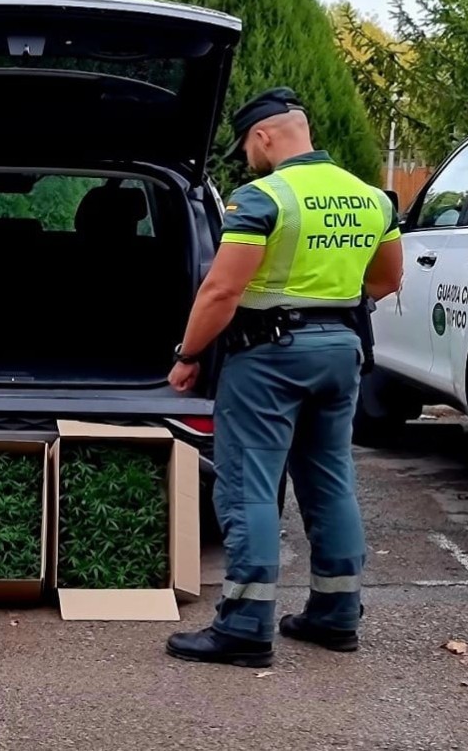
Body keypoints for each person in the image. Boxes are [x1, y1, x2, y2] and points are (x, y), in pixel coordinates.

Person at [164, 87, 403, 668]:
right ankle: (336, 615)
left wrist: (188, 352)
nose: (248, 154)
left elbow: (222, 289)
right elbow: (386, 281)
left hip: (269, 357)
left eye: (248, 143)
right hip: (341, 352)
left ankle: (245, 627)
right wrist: (324, 303)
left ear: (265, 135)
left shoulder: (264, 197)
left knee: (247, 483)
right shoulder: (372, 198)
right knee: (330, 480)